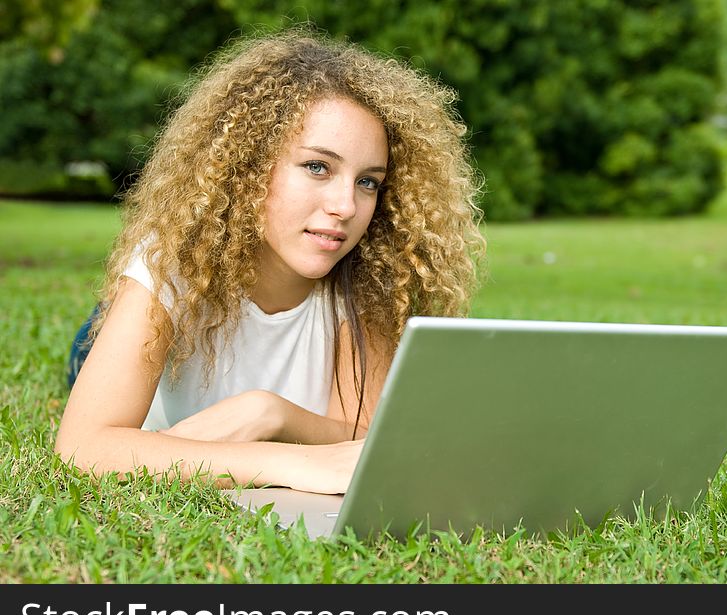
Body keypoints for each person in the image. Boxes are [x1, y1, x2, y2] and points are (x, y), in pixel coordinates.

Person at [55, 28, 485, 495]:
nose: (346, 206)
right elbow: (85, 448)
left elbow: (366, 435)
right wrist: (287, 463)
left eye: (368, 182)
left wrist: (268, 413)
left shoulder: (368, 281)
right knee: (95, 346)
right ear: (247, 168)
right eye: (317, 167)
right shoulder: (174, 263)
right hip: (164, 327)